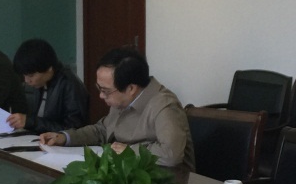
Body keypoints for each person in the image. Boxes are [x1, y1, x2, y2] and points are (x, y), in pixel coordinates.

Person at [39, 47, 194, 171]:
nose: (101, 96)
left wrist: (129, 151)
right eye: (99, 89)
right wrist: (65, 137)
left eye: (105, 91)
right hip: (127, 173)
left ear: (131, 88)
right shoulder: (121, 100)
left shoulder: (164, 105)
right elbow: (102, 130)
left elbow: (171, 155)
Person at [7, 38, 88, 134]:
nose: (27, 80)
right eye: (24, 75)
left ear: (49, 69)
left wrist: (30, 122)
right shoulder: (39, 83)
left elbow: (74, 130)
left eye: (31, 76)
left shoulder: (69, 85)